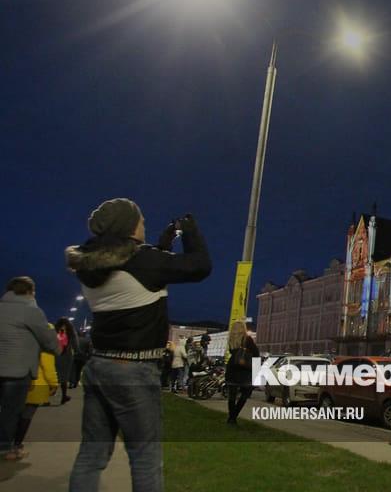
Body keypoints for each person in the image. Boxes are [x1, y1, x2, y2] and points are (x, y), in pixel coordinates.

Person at [65, 198, 211, 491]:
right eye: (141, 220)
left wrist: (164, 243)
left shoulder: (91, 264)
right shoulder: (143, 261)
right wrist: (191, 231)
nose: (144, 224)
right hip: (134, 369)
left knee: (91, 455)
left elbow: (141, 268)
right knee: (145, 458)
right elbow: (200, 266)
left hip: (99, 365)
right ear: (129, 226)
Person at [0, 276, 59, 461]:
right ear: (30, 291)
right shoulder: (31, 311)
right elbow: (51, 344)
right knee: (11, 411)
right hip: (18, 371)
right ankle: (5, 448)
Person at [14, 324, 59, 459]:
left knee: (13, 415)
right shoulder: (45, 348)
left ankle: (7, 444)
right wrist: (54, 384)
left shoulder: (21, 342)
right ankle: (16, 446)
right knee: (26, 416)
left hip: (18, 381)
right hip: (37, 385)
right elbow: (48, 368)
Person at [224, 321, 260, 424]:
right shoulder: (247, 339)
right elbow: (256, 354)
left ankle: (231, 417)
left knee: (232, 395)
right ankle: (234, 416)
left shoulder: (231, 340)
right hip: (244, 370)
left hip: (232, 368)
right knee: (245, 394)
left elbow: (232, 352)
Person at [54, 317, 77, 404]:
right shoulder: (71, 332)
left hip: (56, 354)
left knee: (54, 374)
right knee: (64, 376)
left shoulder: (55, 331)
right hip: (67, 356)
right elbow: (76, 345)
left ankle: (47, 395)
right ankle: (64, 396)